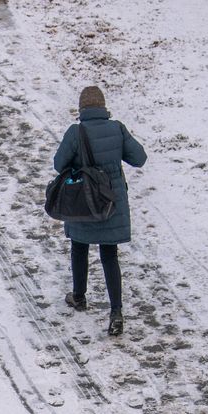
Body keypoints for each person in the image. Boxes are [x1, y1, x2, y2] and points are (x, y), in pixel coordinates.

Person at [52, 86, 147, 336]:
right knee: (109, 255)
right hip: (109, 202)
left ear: (82, 108)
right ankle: (116, 312)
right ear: (103, 107)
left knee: (79, 246)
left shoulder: (76, 132)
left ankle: (79, 296)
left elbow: (58, 164)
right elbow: (139, 158)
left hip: (83, 201)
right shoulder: (117, 129)